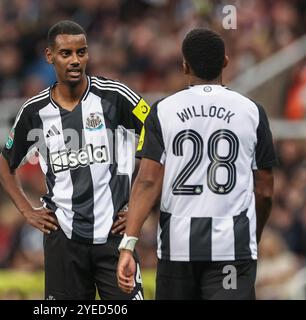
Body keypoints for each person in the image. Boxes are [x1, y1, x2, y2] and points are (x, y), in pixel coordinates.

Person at [117, 28, 277, 300]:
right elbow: (264, 190)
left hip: (178, 248)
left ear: (184, 66)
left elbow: (147, 181)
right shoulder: (252, 111)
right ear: (225, 61)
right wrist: (254, 234)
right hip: (233, 248)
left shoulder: (162, 110)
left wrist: (128, 244)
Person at [0, 20, 149, 300]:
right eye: (66, 53)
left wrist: (140, 208)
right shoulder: (34, 111)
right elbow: (4, 165)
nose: (75, 60)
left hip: (114, 234)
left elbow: (158, 137)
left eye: (82, 52)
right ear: (49, 56)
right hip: (63, 237)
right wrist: (27, 211)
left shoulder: (115, 96)